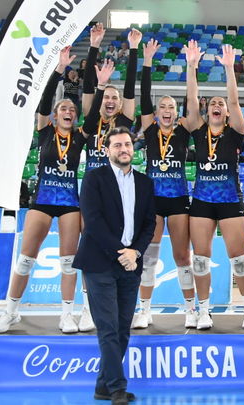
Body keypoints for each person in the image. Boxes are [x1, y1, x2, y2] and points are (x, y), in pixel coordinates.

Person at [0, 47, 93, 334]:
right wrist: (59, 69)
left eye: (72, 110)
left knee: (69, 263)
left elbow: (92, 111)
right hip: (43, 200)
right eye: (64, 109)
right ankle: (10, 312)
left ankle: (66, 315)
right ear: (55, 115)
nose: (68, 112)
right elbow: (45, 100)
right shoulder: (45, 129)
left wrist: (90, 76)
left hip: (71, 203)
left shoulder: (80, 138)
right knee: (25, 259)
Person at [74, 127, 156, 404]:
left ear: (134, 149)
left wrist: (135, 253)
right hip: (99, 263)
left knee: (122, 329)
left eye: (128, 145)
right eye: (118, 145)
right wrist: (121, 252)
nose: (124, 149)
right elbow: (93, 221)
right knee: (107, 327)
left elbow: (149, 224)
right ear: (106, 149)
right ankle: (117, 387)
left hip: (131, 264)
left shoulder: (145, 183)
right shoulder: (94, 178)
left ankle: (102, 386)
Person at [184, 41, 244, 329]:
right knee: (199, 260)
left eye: (220, 104)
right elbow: (191, 101)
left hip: (229, 200)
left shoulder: (235, 131)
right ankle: (203, 311)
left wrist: (229, 68)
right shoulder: (199, 130)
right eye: (212, 102)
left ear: (226, 113)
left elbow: (236, 101)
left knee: (238, 260)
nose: (217, 105)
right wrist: (191, 67)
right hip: (201, 201)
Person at [130, 38, 196, 329]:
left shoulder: (183, 129)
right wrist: (146, 62)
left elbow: (192, 101)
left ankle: (192, 309)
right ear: (157, 112)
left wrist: (191, 67)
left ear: (176, 112)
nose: (166, 110)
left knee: (182, 255)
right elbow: (144, 95)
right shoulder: (149, 128)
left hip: (179, 198)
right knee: (149, 255)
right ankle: (144, 309)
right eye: (162, 106)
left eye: (171, 106)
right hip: (153, 200)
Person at [82, 24, 139, 171]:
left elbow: (130, 87)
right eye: (106, 97)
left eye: (114, 98)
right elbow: (88, 84)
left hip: (116, 182)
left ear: (120, 104)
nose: (110, 101)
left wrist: (133, 48)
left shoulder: (124, 119)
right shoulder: (92, 117)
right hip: (93, 182)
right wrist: (94, 44)